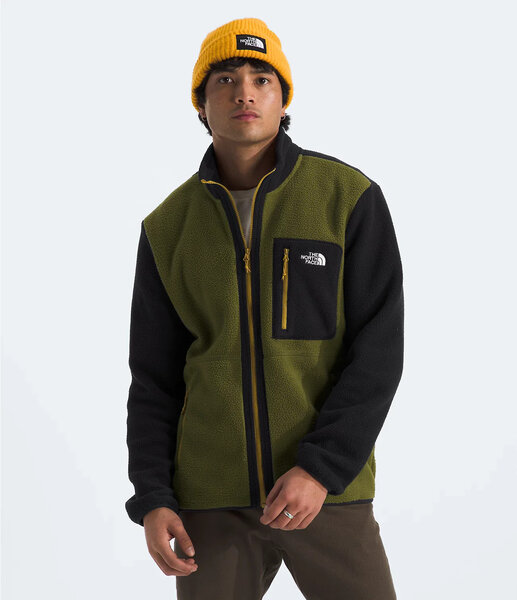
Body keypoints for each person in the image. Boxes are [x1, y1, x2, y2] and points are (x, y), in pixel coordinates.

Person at [125, 17, 404, 600]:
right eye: (225, 79)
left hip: (326, 494)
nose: (244, 93)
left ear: (283, 99)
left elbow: (378, 354)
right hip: (210, 503)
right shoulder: (167, 228)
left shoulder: (347, 199)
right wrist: (152, 496)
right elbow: (153, 380)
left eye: (261, 78)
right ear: (202, 104)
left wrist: (321, 468)